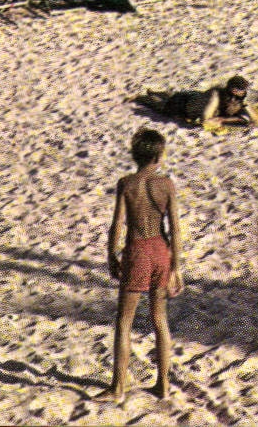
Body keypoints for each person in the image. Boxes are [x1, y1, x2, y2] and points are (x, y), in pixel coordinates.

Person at [100, 128, 184, 405]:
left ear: (135, 155)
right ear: (159, 156)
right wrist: (177, 266)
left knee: (124, 322)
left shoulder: (127, 184)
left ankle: (118, 387)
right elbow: (175, 228)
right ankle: (164, 383)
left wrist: (112, 255)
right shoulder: (167, 185)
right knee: (160, 320)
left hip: (137, 250)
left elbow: (118, 224)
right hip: (161, 250)